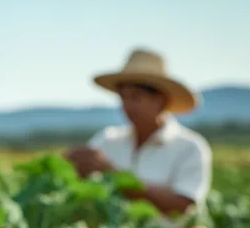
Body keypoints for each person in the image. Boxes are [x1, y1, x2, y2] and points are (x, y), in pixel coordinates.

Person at [65, 48, 213, 217]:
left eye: (135, 97)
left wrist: (115, 176)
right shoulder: (107, 139)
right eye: (123, 97)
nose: (127, 106)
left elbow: (182, 205)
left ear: (161, 99)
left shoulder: (190, 147)